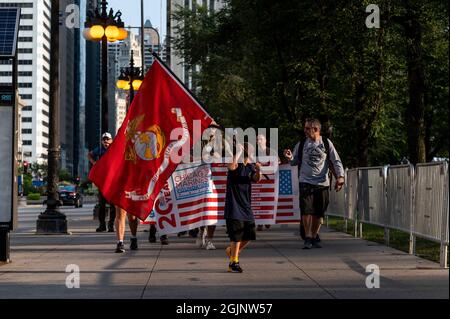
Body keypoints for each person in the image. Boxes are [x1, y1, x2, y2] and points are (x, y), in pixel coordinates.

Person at [284, 118, 345, 249]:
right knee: (306, 211)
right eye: (305, 128)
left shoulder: (326, 143)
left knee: (319, 213)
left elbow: (336, 161)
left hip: (322, 183)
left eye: (307, 128)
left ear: (315, 129)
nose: (304, 131)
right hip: (305, 181)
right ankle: (308, 237)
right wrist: (289, 157)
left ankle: (314, 234)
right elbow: (294, 162)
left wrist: (340, 177)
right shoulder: (301, 144)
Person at [224, 142, 262, 273]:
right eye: (249, 149)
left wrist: (258, 170)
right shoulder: (235, 164)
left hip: (245, 206)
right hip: (233, 205)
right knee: (236, 236)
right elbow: (231, 166)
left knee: (250, 234)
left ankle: (232, 252)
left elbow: (256, 179)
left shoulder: (250, 167)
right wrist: (238, 152)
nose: (251, 152)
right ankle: (233, 262)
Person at [88, 132, 116, 233]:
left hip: (113, 182)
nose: (105, 141)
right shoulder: (99, 150)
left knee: (113, 205)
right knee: (101, 205)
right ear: (101, 141)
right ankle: (102, 225)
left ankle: (111, 225)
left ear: (111, 140)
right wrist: (94, 163)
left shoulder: (115, 149)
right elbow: (90, 154)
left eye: (107, 139)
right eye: (104, 139)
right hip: (102, 182)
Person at [256, 133, 280, 231]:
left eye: (261, 139)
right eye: (257, 140)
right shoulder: (255, 153)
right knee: (259, 200)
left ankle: (267, 220)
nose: (259, 141)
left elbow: (278, 162)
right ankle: (260, 222)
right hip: (259, 180)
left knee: (268, 200)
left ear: (265, 140)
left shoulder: (272, 151)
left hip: (270, 181)